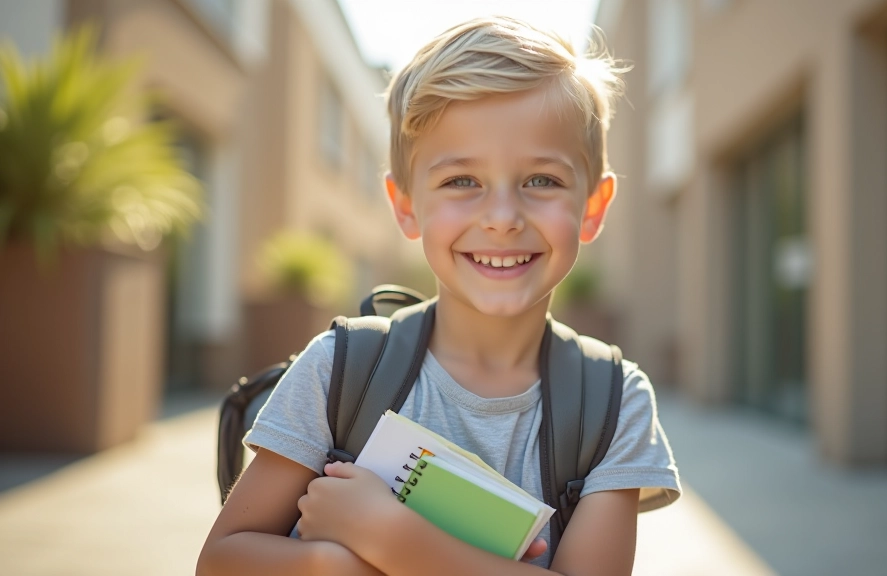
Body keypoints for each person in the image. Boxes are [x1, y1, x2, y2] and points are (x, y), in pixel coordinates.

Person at [197, 15, 681, 576]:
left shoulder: (612, 400)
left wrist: (386, 538)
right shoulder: (341, 368)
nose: (502, 218)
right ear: (405, 205)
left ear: (593, 208)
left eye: (542, 180)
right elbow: (222, 561)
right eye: (461, 181)